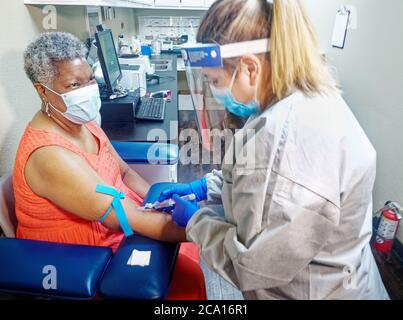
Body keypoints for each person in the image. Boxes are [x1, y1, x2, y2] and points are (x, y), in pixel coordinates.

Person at [159, 0, 390, 300]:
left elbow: (250, 265)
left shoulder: (290, 145)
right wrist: (205, 186)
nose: (215, 90)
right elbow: (252, 171)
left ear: (250, 68)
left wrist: (195, 221)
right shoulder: (289, 100)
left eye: (215, 80)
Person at [14, 32, 206, 299]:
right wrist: (211, 229)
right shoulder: (50, 156)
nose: (87, 90)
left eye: (90, 79)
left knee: (187, 259)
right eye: (73, 85)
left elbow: (124, 172)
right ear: (42, 90)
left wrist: (161, 202)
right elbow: (123, 218)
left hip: (124, 219)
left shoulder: (82, 121)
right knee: (186, 285)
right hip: (87, 258)